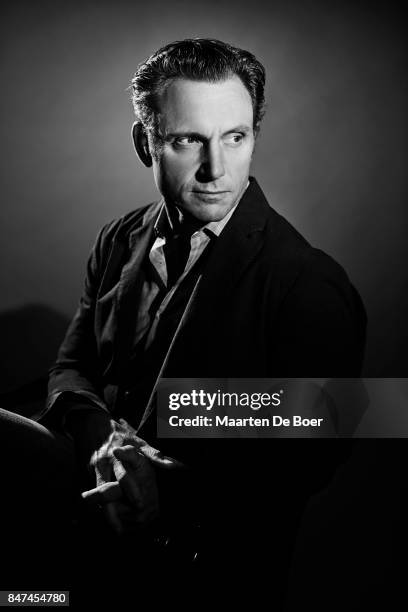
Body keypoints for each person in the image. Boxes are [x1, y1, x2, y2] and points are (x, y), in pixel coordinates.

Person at [1, 38, 366, 605]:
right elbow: (73, 364)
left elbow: (314, 449)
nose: (216, 167)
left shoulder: (308, 282)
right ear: (144, 144)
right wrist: (100, 433)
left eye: (235, 137)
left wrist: (167, 486)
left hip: (204, 577)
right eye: (188, 139)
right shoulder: (119, 238)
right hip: (84, 548)